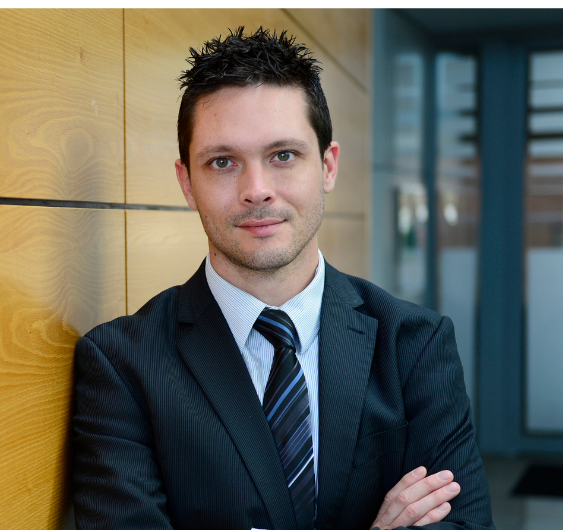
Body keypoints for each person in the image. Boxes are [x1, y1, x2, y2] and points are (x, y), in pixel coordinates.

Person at [71, 27, 494, 530]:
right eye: (223, 162)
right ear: (187, 183)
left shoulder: (415, 345)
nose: (256, 190)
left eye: (283, 156)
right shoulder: (123, 365)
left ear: (328, 166)